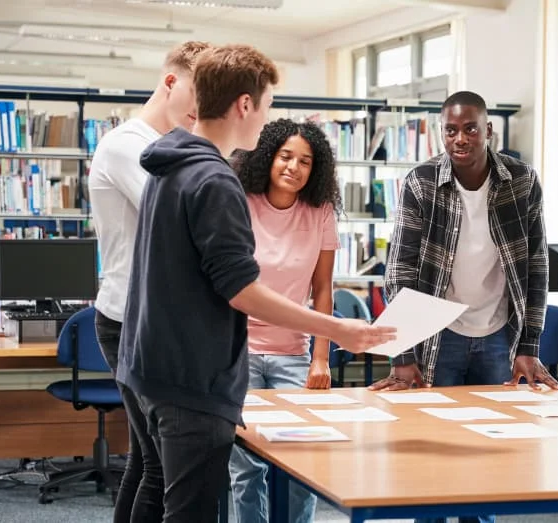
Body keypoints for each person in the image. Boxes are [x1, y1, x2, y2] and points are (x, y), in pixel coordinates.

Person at [115, 44, 396, 523]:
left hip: (150, 367)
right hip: (191, 379)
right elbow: (242, 290)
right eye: (267, 106)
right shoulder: (214, 180)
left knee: (161, 498)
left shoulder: (170, 165)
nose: (267, 119)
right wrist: (339, 329)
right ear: (244, 104)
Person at [369, 90, 558, 523]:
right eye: (451, 130)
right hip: (440, 335)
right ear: (442, 133)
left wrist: (528, 344)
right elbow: (400, 271)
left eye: (470, 128)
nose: (461, 139)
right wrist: (405, 353)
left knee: (483, 462)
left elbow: (536, 266)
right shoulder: (421, 183)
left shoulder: (522, 180)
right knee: (433, 463)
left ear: (488, 130)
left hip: (496, 335)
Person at [89, 40, 211, 523]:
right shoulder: (129, 145)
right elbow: (183, 219)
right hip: (128, 319)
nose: (201, 114)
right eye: (197, 100)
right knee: (162, 466)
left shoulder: (170, 147)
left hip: (148, 318)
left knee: (148, 460)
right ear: (169, 82)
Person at [227, 118, 342, 523]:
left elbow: (323, 290)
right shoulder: (241, 201)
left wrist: (321, 358)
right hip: (238, 352)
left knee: (302, 463)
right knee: (245, 468)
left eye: (305, 161)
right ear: (268, 158)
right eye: (286, 156)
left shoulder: (320, 212)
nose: (294, 167)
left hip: (294, 353)